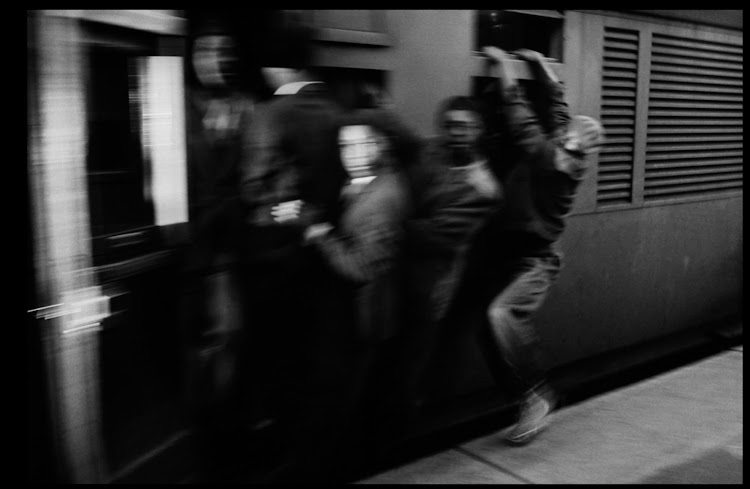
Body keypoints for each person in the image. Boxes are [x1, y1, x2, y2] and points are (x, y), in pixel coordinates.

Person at [446, 46, 605, 446]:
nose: (562, 129)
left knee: (502, 314)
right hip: (511, 253)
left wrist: (503, 65)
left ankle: (537, 395)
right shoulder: (566, 147)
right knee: (488, 326)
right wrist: (541, 64)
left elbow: (520, 115)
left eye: (566, 133)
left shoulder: (549, 159)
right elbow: (558, 106)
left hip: (535, 261)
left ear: (570, 145)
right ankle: (523, 399)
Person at [279, 109, 415, 481]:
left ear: (380, 144)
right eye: (345, 144)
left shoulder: (385, 195)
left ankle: (322, 467)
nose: (351, 152)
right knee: (333, 392)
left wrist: (317, 233)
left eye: (362, 143)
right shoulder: (365, 181)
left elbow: (361, 266)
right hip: (341, 308)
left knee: (338, 397)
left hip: (359, 314)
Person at [392, 94, 504, 436]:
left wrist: (393, 222)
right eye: (451, 125)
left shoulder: (483, 188)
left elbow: (438, 236)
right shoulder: (430, 153)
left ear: (479, 131)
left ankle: (397, 431)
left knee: (410, 361)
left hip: (432, 284)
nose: (456, 133)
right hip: (396, 277)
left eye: (465, 127)